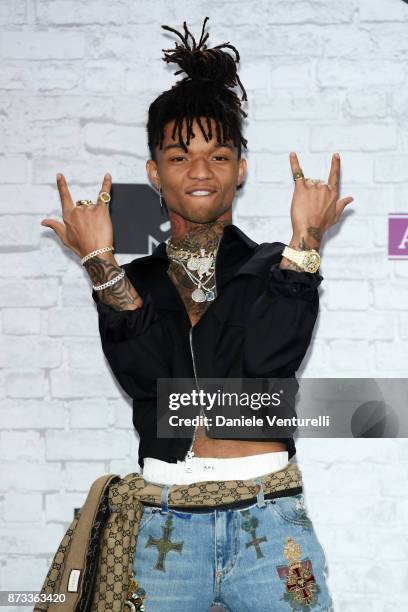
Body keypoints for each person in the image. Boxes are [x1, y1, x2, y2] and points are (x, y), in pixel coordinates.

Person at [41, 16, 353, 612]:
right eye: (180, 156)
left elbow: (268, 359)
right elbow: (149, 384)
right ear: (155, 172)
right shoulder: (130, 282)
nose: (202, 171)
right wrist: (101, 264)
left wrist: (306, 240)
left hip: (270, 518)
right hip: (163, 525)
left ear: (241, 167)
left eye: (219, 154)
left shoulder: (277, 265)